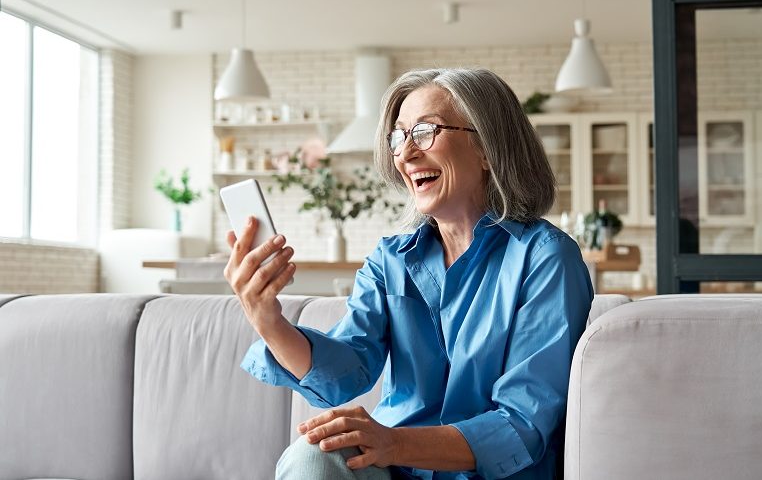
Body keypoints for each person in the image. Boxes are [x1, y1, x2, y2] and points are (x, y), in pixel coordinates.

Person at [224, 68, 594, 479]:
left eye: (424, 132)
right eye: (399, 137)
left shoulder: (545, 258)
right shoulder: (390, 261)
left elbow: (522, 425)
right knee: (311, 456)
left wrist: (394, 442)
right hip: (396, 469)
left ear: (488, 147)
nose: (404, 154)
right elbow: (343, 375)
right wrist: (268, 320)